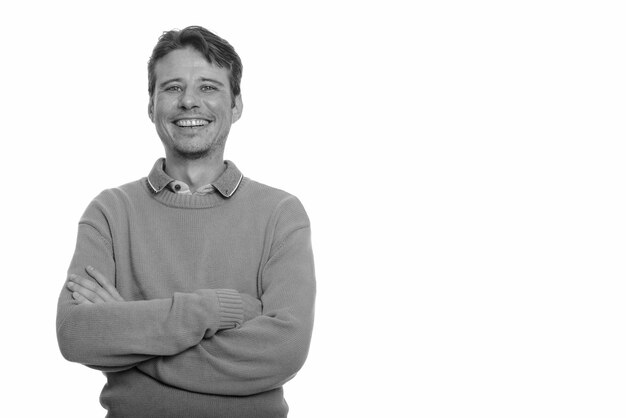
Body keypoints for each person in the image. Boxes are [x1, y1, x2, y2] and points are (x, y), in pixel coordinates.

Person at [56, 26, 316, 418]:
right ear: (151, 105)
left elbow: (284, 351)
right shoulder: (109, 212)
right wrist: (218, 308)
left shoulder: (281, 214)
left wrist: (130, 338)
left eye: (208, 87)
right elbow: (77, 335)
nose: (189, 101)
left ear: (237, 105)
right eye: (173, 87)